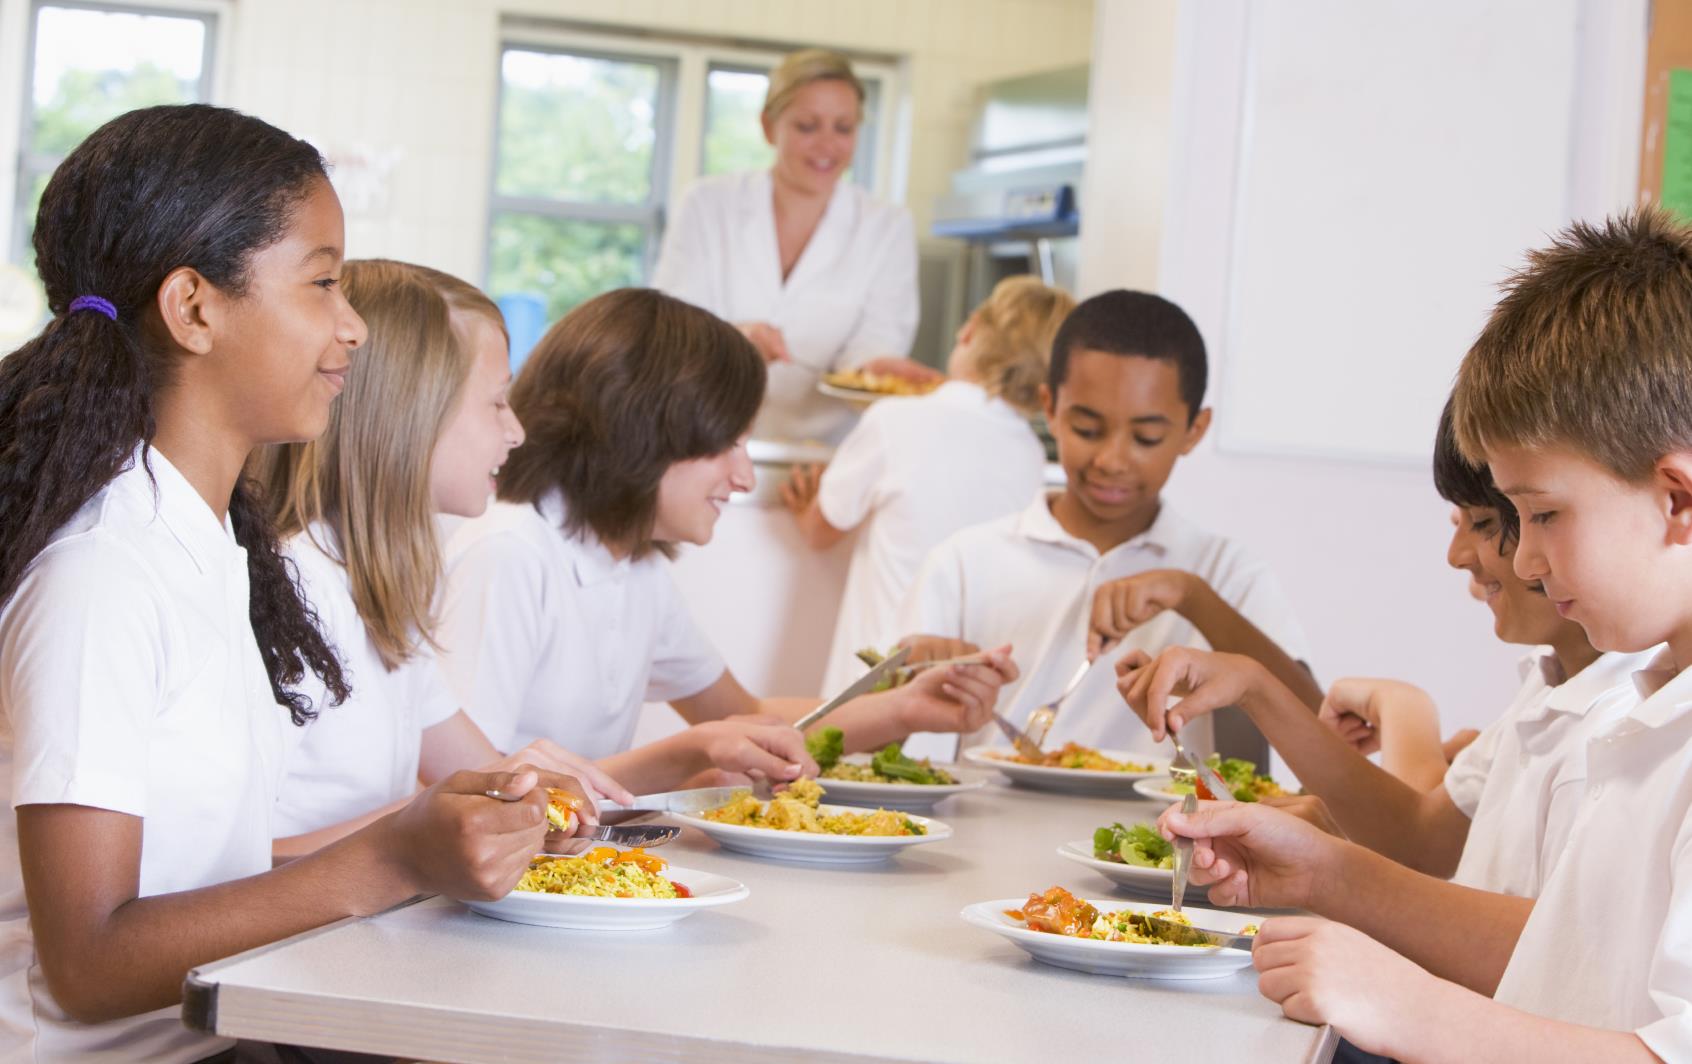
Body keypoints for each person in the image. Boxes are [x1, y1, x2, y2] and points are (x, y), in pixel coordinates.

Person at [0, 105, 588, 1062]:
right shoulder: (103, 573)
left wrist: (431, 829)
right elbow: (89, 963)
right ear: (193, 308)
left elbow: (214, 880)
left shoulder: (209, 541)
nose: (352, 328)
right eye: (322, 284)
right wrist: (394, 857)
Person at [1134, 209, 1692, 1060]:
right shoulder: (1645, 718)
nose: (1527, 558)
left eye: (1541, 514)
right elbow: (1559, 972)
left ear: (1677, 499)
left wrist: (1406, 1006)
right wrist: (1327, 870)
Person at [436, 288, 1016, 794]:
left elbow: (747, 717)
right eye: (726, 443)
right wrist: (684, 758)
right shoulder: (510, 554)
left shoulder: (630, 566)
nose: (744, 477)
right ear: (640, 430)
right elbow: (467, 790)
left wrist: (904, 708)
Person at [1118, 399, 1646, 895]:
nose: (1457, 554)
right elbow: (1419, 837)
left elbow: (1523, 939)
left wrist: (1328, 873)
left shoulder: (1627, 715)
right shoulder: (1547, 681)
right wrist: (1256, 689)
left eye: (1485, 523)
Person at [252, 259, 634, 853]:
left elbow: (482, 779)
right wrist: (443, 811)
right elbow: (225, 872)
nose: (517, 432)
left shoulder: (382, 588)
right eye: (496, 403)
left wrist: (524, 800)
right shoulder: (290, 587)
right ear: (411, 412)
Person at [894, 289, 1313, 760]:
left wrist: (1192, 598)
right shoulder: (966, 562)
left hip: (1164, 832)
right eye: (1087, 430)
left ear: (1194, 431)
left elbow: (1319, 726)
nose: (1112, 460)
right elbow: (876, 739)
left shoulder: (1224, 572)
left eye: (1146, 437)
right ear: (1049, 408)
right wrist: (907, 678)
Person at [781, 276, 1076, 693]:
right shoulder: (1028, 452)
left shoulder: (894, 419)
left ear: (969, 329)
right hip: (965, 684)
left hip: (880, 675)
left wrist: (802, 506)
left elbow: (819, 530)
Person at [653, 48, 927, 442]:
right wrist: (734, 340)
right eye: (807, 126)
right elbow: (673, 328)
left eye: (844, 128)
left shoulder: (887, 226)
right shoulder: (708, 204)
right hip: (704, 441)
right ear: (768, 126)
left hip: (824, 457)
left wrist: (879, 371)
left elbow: (872, 345)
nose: (827, 146)